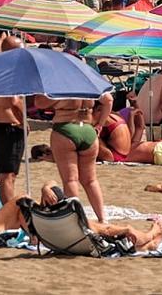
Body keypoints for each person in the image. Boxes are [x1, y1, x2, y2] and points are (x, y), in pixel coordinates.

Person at [0, 176, 162, 250]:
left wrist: (46, 188)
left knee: (92, 225)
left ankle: (148, 242)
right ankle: (142, 234)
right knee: (21, 200)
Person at [33, 92, 112, 223]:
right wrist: (100, 124)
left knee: (71, 180)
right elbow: (108, 100)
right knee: (91, 180)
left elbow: (39, 103)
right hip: (87, 129)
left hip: (65, 128)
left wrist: (53, 97)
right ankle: (102, 218)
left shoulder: (62, 86)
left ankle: (75, 219)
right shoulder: (88, 83)